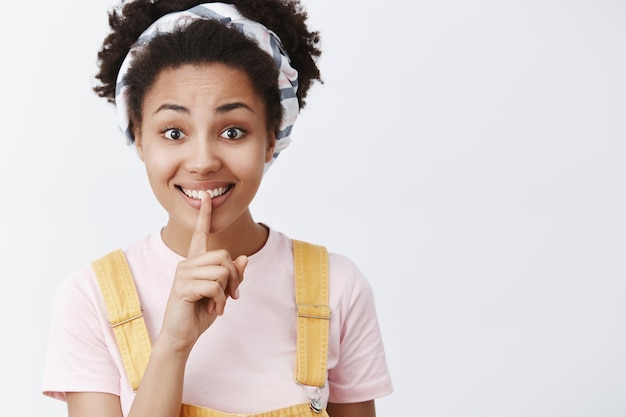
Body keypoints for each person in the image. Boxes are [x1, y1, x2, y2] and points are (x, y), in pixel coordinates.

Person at [42, 1, 393, 416]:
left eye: (232, 131)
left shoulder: (338, 286)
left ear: (270, 138)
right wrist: (173, 343)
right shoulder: (91, 298)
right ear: (138, 138)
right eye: (174, 132)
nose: (203, 160)